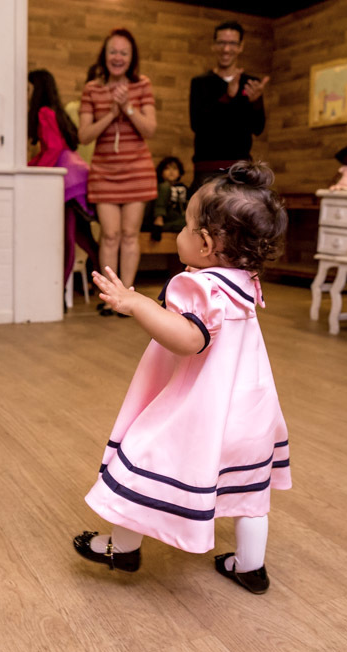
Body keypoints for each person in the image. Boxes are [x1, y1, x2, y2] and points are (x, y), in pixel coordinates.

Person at [73, 161, 291, 594]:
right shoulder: (244, 280)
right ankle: (250, 566)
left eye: (186, 226)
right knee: (249, 493)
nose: (180, 233)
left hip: (199, 410)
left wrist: (136, 304)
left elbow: (190, 340)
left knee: (140, 463)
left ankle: (121, 549)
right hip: (249, 413)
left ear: (205, 243)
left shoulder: (198, 287)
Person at [78, 28, 157, 316]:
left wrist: (128, 107)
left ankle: (128, 300)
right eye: (113, 51)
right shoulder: (92, 89)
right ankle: (111, 297)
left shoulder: (142, 85)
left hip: (137, 171)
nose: (118, 57)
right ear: (104, 54)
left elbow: (150, 129)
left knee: (129, 235)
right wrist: (112, 112)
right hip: (104, 173)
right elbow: (84, 135)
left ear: (132, 57)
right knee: (109, 235)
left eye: (124, 52)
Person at [27, 68, 95, 300]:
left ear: (36, 89)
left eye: (28, 89)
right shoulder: (55, 111)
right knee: (82, 238)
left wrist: (34, 170)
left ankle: (57, 294)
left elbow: (53, 149)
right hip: (76, 175)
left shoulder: (43, 112)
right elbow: (53, 149)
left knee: (69, 238)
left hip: (69, 181)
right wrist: (30, 165)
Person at [189, 21, 269, 193]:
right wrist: (227, 97)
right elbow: (197, 124)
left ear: (241, 47)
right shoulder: (200, 83)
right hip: (207, 169)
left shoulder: (250, 83)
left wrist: (256, 102)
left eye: (232, 43)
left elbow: (258, 128)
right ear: (213, 45)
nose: (226, 49)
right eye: (221, 43)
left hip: (241, 169)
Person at [151, 156, 188, 240]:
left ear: (179, 172)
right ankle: (158, 220)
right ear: (161, 172)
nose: (171, 171)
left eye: (175, 168)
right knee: (165, 186)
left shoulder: (184, 188)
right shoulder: (158, 187)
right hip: (156, 218)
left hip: (173, 220)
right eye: (167, 168)